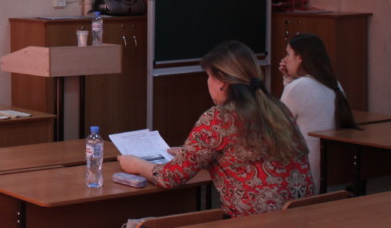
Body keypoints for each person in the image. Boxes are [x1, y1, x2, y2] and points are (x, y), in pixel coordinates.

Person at [119, 40, 312, 217]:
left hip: (253, 227)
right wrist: (194, 155)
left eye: (208, 76)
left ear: (221, 82)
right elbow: (247, 157)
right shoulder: (278, 109)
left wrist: (136, 164)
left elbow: (170, 177)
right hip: (300, 218)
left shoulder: (219, 118)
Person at [279, 33, 360, 191]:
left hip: (304, 175)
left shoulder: (299, 87)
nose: (285, 59)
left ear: (299, 58)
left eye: (288, 54)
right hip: (333, 175)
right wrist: (289, 80)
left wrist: (290, 83)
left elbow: (278, 127)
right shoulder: (334, 83)